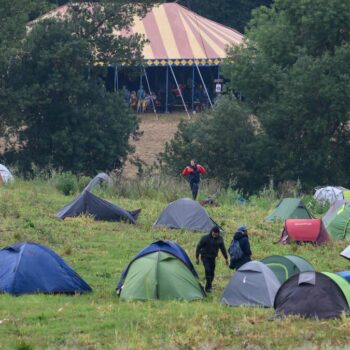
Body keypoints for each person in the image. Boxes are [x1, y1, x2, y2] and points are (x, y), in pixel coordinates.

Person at [196, 226, 228, 292]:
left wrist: (226, 258)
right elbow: (198, 247)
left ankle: (207, 287)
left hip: (212, 258)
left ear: (218, 233)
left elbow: (223, 249)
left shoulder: (220, 239)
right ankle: (209, 288)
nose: (214, 235)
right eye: (213, 233)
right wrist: (197, 257)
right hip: (205, 257)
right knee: (208, 270)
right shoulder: (205, 238)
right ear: (212, 232)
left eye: (216, 234)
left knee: (212, 273)